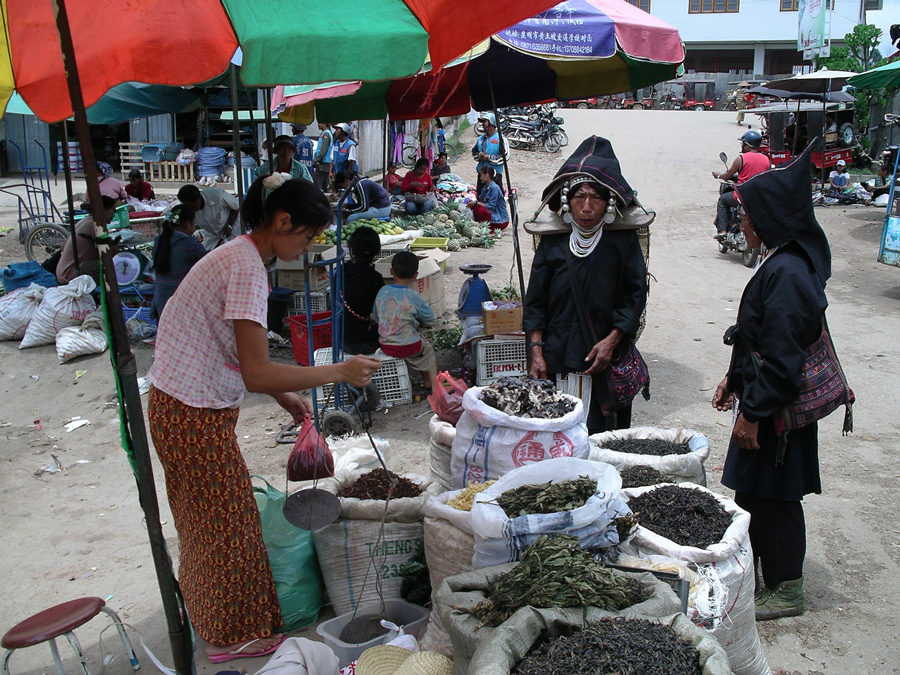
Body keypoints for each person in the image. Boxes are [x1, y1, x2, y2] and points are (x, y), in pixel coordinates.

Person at [147, 176, 381, 663]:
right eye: (307, 236)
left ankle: (206, 610)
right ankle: (232, 636)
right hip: (191, 412)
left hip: (182, 405)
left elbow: (238, 353)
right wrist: (338, 369)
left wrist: (285, 395)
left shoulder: (237, 255)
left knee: (204, 520)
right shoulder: (247, 268)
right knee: (228, 525)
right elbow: (255, 370)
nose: (308, 247)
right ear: (281, 222)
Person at [712, 147, 831, 621]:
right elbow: (760, 342)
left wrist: (753, 414)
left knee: (776, 497)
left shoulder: (788, 275)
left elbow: (782, 361)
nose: (741, 222)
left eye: (746, 215)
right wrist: (732, 377)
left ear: (768, 220)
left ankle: (786, 589)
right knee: (757, 495)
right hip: (765, 402)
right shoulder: (783, 261)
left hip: (774, 414)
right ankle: (768, 579)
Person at [523, 136, 648, 434]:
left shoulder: (622, 241)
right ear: (566, 200)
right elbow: (535, 300)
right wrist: (536, 351)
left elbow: (636, 295)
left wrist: (611, 341)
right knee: (557, 433)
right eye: (579, 196)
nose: (587, 207)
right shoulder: (552, 241)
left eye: (596, 197)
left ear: (609, 201)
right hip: (557, 356)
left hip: (603, 358)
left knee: (601, 437)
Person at [374, 251, 437, 391]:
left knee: (419, 345)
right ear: (416, 275)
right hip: (410, 346)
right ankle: (434, 386)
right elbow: (431, 319)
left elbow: (376, 316)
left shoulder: (382, 291)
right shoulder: (413, 296)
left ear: (391, 271)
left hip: (386, 345)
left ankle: (426, 382)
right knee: (428, 350)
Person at [149, 204, 206, 320]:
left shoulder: (159, 241)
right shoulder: (190, 244)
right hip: (183, 300)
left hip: (161, 299)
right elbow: (207, 265)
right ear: (188, 223)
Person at [713, 130, 770, 241]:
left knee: (723, 200)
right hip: (760, 197)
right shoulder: (766, 159)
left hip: (742, 196)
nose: (742, 145)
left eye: (743, 143)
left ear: (748, 145)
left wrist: (718, 175)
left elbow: (728, 175)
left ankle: (723, 231)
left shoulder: (741, 159)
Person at [56, 196, 118, 285]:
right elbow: (108, 251)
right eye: (112, 211)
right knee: (111, 265)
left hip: (64, 272)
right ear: (102, 210)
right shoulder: (95, 226)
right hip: (70, 274)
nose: (113, 215)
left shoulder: (86, 220)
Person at [343, 227, 385, 355]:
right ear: (376, 251)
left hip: (341, 340)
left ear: (352, 249)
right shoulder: (375, 278)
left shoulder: (341, 270)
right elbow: (379, 314)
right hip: (363, 343)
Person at [177, 184, 240, 251]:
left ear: (198, 199)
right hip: (212, 236)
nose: (191, 209)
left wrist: (229, 225)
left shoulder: (218, 195)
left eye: (192, 206)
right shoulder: (188, 209)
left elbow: (236, 207)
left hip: (233, 229)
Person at [472, 113, 508, 187]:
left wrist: (488, 157)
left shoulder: (501, 139)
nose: (482, 124)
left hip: (495, 175)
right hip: (481, 176)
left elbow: (505, 156)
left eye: (484, 122)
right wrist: (479, 155)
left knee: (495, 197)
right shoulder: (481, 139)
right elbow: (474, 152)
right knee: (480, 196)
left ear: (491, 123)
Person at [470, 166, 509, 232]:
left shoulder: (494, 188)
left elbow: (491, 207)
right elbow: (480, 200)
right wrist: (473, 202)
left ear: (486, 175)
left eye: (481, 175)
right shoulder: (485, 187)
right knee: (474, 208)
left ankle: (488, 227)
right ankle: (482, 225)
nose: (480, 177)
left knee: (481, 210)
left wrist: (476, 203)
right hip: (492, 216)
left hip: (499, 220)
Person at [313, 122, 333, 192]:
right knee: (325, 184)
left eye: (319, 123)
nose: (318, 125)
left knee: (317, 182)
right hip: (324, 162)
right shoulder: (324, 133)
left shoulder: (326, 134)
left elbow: (323, 149)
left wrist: (317, 159)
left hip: (323, 163)